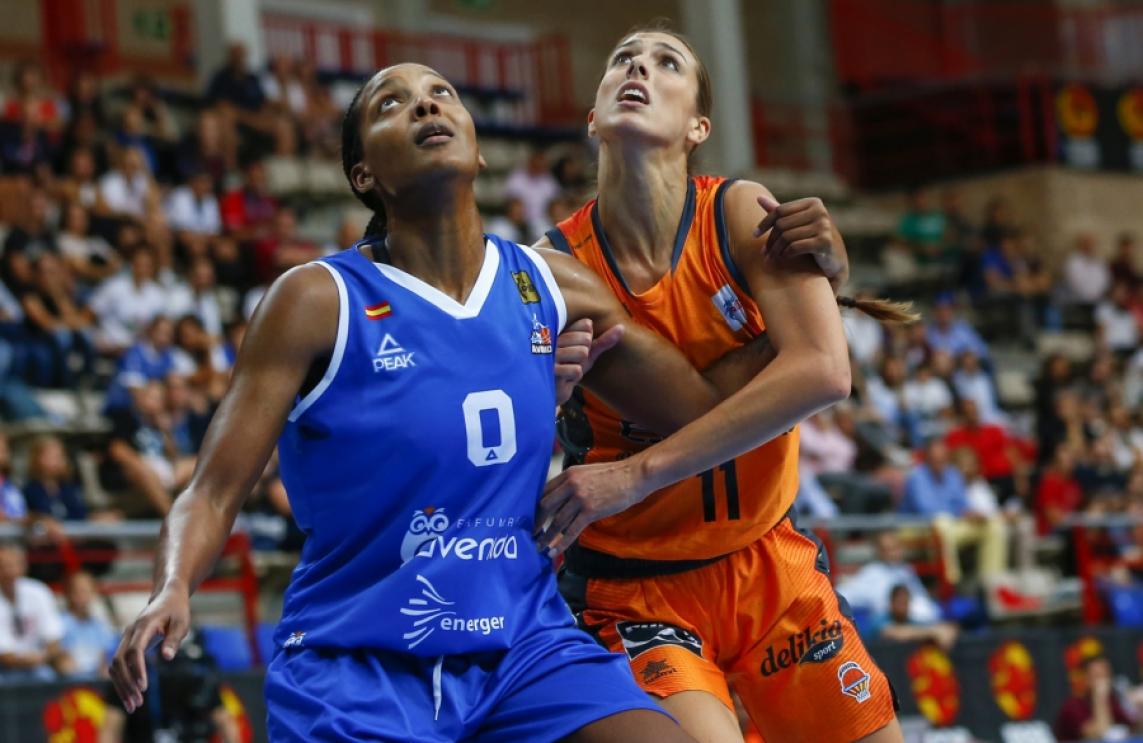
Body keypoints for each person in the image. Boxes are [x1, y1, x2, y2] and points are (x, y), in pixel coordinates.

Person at [110, 62, 789, 742]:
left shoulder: (552, 286)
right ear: (363, 175)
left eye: (442, 94)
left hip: (525, 650)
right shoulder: (315, 300)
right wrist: (173, 587)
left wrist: (803, 295)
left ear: (478, 147)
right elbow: (212, 491)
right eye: (391, 104)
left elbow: (697, 406)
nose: (426, 107)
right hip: (356, 663)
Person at [535, 22, 909, 743]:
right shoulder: (554, 265)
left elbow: (824, 371)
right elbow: (718, 394)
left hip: (768, 560)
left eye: (666, 62)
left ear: (698, 126)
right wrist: (542, 392)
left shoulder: (739, 212)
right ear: (592, 117)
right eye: (622, 60)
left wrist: (636, 473)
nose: (638, 68)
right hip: (635, 586)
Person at [0, 541, 73, 680]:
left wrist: (43, 657)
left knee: (54, 673)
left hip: (39, 665)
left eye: (12, 565)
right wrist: (25, 660)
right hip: (4, 669)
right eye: (3, 566)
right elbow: (4, 656)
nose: (8, 572)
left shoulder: (39, 591)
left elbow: (53, 637)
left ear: (23, 566)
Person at [1055, 654, 1137, 742]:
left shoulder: (1112, 700)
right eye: (1098, 676)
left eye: (1106, 675)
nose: (1104, 681)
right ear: (1086, 679)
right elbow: (1099, 734)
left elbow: (1134, 727)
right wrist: (1100, 698)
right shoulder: (1072, 706)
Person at [866, 585, 958, 652]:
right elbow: (893, 632)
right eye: (899, 602)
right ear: (891, 602)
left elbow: (947, 628)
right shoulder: (878, 619)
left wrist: (944, 631)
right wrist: (932, 633)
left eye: (905, 602)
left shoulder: (911, 621)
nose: (902, 606)